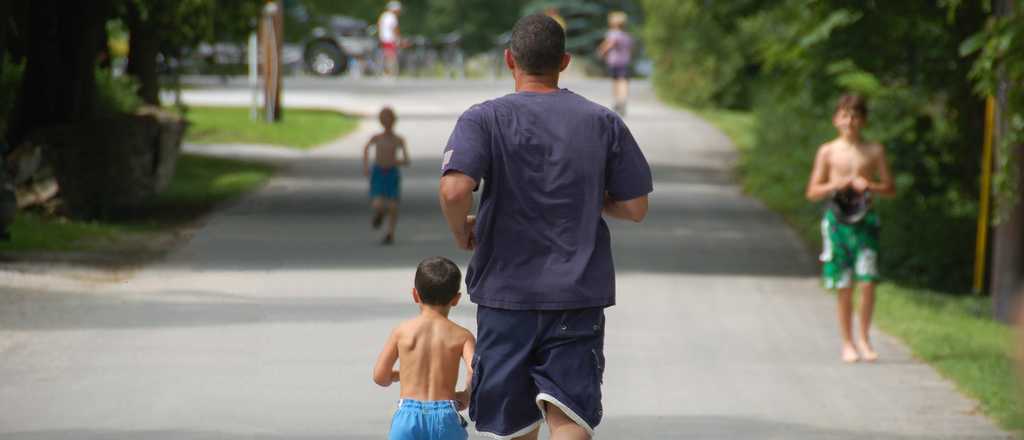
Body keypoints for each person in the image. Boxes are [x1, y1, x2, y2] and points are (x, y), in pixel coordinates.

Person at [438, 14, 652, 440]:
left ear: (509, 60)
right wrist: (592, 197)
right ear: (565, 61)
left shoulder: (484, 119)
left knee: (513, 425)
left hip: (506, 295)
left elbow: (454, 189)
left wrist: (461, 231)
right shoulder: (602, 121)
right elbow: (635, 207)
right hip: (577, 295)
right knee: (570, 416)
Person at [805, 94, 895, 363]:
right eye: (845, 115)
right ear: (836, 119)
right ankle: (847, 342)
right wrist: (837, 184)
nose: (850, 121)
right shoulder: (828, 151)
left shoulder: (874, 151)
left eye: (855, 116)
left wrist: (870, 185)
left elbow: (890, 188)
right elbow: (812, 191)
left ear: (864, 120)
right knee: (843, 284)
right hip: (838, 221)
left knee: (867, 282)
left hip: (865, 219)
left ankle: (864, 339)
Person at [373, 256, 476, 440]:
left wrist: (400, 375)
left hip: (407, 417)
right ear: (456, 299)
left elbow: (380, 377)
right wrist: (467, 394)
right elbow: (475, 371)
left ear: (415, 295)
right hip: (445, 416)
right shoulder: (462, 336)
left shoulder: (402, 332)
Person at [363, 107, 409, 245]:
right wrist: (366, 166)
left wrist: (396, 161)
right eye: (384, 120)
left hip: (392, 173)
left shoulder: (399, 140)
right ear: (381, 122)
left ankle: (390, 233)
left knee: (393, 206)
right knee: (377, 203)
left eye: (390, 120)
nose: (387, 123)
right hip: (378, 172)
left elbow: (406, 160)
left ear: (394, 121)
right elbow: (366, 148)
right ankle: (379, 213)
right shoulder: (376, 138)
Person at [598, 11, 633, 116]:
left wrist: (602, 51)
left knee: (616, 81)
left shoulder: (613, 33)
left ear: (612, 23)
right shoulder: (626, 35)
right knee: (623, 81)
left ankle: (618, 101)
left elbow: (611, 43)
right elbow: (631, 48)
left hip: (614, 61)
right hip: (625, 61)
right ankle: (622, 100)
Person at [378, 1, 402, 78]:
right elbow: (395, 29)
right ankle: (390, 72)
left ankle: (385, 72)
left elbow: (379, 25)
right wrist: (398, 38)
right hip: (390, 39)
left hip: (383, 38)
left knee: (386, 55)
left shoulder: (383, 15)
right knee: (391, 56)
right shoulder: (392, 17)